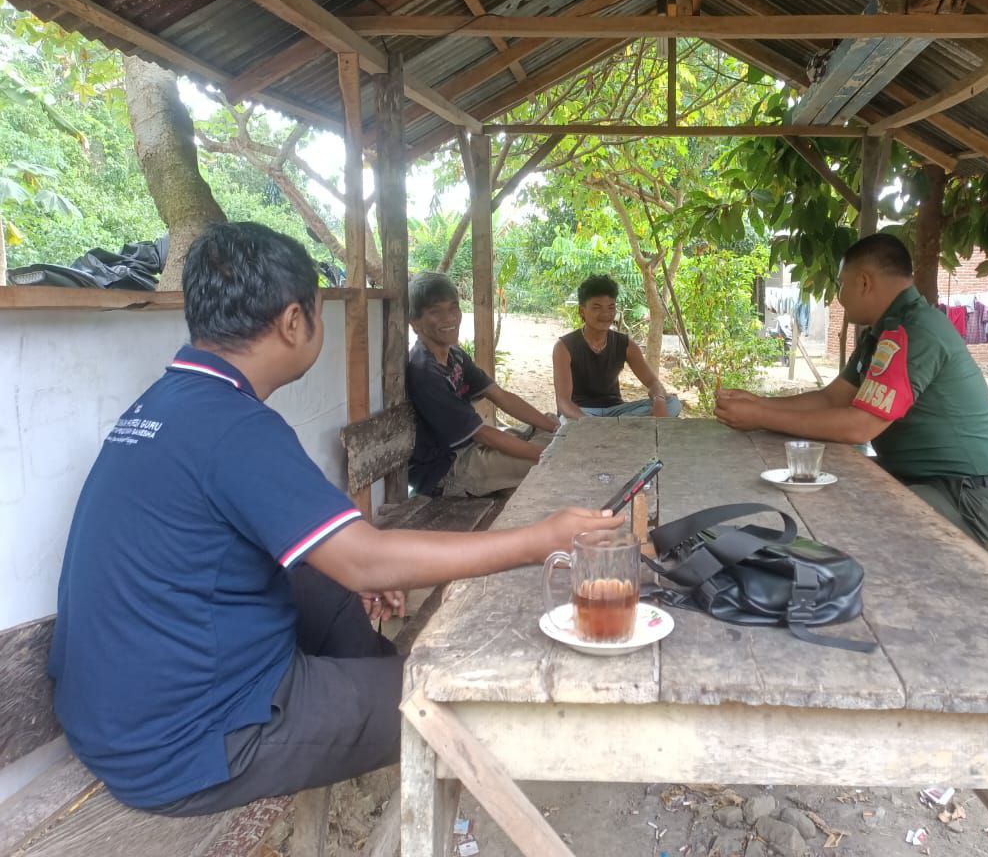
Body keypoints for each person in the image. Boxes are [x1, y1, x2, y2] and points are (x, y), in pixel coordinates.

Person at [47, 222, 618, 816]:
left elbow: (325, 554)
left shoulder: (167, 404)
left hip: (121, 715)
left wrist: (360, 571)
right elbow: (365, 559)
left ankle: (379, 694)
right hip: (192, 741)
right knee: (449, 698)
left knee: (344, 596)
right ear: (295, 321)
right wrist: (541, 540)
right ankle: (404, 717)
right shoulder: (235, 428)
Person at [714, 234, 988, 546]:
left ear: (865, 282)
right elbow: (832, 399)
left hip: (967, 495)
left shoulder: (915, 330)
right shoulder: (883, 332)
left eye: (842, 284)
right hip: (924, 480)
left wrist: (761, 416)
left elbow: (860, 426)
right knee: (820, 487)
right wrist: (759, 404)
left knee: (845, 524)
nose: (839, 296)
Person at [406, 272, 559, 496]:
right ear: (415, 323)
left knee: (550, 422)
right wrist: (546, 455)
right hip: (448, 468)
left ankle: (520, 472)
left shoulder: (454, 355)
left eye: (453, 308)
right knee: (550, 461)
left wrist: (557, 430)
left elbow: (500, 395)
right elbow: (482, 434)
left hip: (471, 448)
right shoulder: (425, 372)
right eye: (435, 311)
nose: (449, 318)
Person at [553, 274, 681, 419]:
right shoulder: (564, 346)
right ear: (582, 311)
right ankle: (621, 426)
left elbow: (653, 382)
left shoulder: (625, 344)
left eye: (611, 307)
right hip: (582, 412)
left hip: (615, 411)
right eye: (597, 307)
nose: (605, 314)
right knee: (567, 418)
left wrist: (660, 400)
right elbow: (563, 402)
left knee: (673, 403)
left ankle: (619, 425)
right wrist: (589, 422)